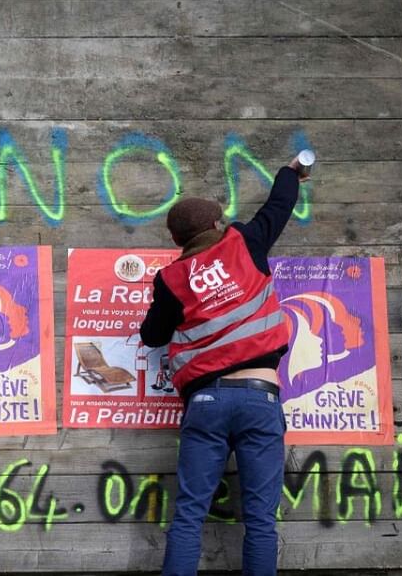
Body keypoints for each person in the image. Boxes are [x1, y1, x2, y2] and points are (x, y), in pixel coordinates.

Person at [140, 157, 309, 576]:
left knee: (189, 516)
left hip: (207, 402)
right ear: (218, 226)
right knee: (260, 521)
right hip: (258, 398)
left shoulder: (172, 279)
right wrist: (291, 172)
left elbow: (151, 336)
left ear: (177, 238)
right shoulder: (247, 243)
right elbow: (279, 204)